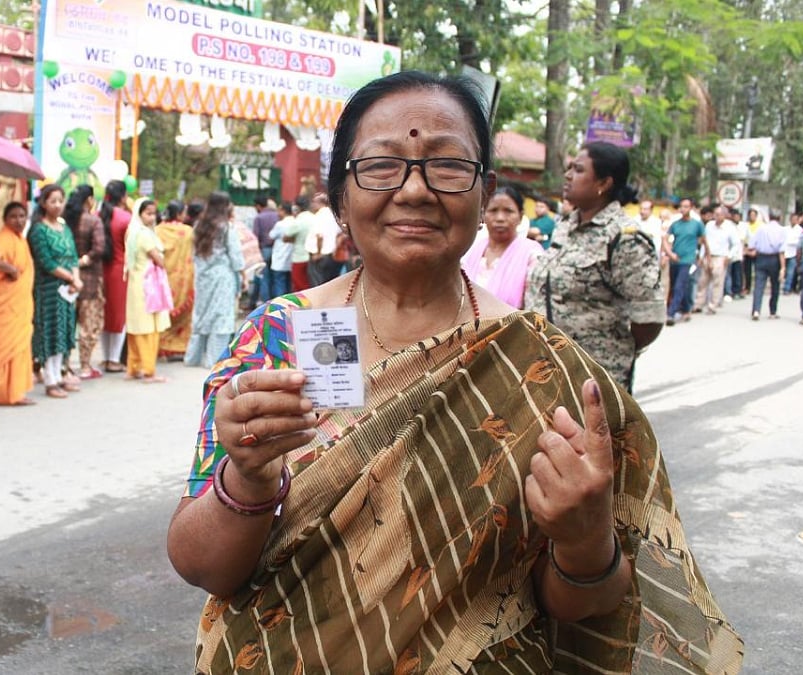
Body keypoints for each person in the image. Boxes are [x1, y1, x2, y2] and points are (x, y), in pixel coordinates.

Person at [167, 71, 741, 674]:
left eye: (446, 166)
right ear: (340, 196)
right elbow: (202, 565)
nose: (414, 191)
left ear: (483, 189)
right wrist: (249, 480)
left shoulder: (537, 370)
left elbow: (583, 604)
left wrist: (584, 540)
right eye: (382, 166)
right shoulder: (276, 336)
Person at [525, 142, 665, 392]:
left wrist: (610, 348)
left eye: (578, 170)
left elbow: (649, 318)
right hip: (547, 368)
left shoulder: (624, 237)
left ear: (604, 183)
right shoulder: (566, 225)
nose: (567, 175)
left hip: (593, 377)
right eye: (569, 168)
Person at [29, 184, 83, 398]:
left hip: (68, 290)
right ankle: (49, 379)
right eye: (53, 201)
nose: (58, 205)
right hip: (49, 288)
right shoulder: (38, 230)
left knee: (66, 330)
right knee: (50, 330)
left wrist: (76, 279)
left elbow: (73, 256)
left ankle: (60, 374)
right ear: (43, 203)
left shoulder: (64, 227)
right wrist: (70, 277)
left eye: (61, 200)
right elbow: (46, 262)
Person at [0, 201, 35, 405]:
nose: (18, 221)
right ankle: (2, 392)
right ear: (5, 219)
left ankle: (10, 390)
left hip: (17, 305)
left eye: (22, 216)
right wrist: (10, 269)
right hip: (3, 307)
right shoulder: (4, 238)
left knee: (17, 346)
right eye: (14, 217)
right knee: (5, 349)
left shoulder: (20, 240)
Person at [184, 191, 244, 368]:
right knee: (221, 316)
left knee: (201, 314)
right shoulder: (226, 228)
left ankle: (192, 357)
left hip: (203, 276)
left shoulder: (199, 226)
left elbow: (194, 254)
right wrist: (242, 274)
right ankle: (215, 360)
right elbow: (235, 255)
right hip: (222, 276)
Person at [460, 185, 542, 308]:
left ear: (520, 216)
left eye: (508, 211)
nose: (500, 218)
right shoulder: (471, 250)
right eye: (493, 211)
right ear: (483, 215)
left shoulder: (532, 254)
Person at [123, 199, 171, 382]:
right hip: (148, 286)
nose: (151, 217)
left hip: (137, 283)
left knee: (137, 327)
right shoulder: (144, 235)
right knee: (148, 328)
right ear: (139, 213)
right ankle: (148, 371)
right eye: (148, 213)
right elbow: (159, 259)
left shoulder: (132, 231)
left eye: (153, 213)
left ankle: (134, 368)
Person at [63, 184, 107, 379]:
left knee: (67, 323)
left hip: (66, 279)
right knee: (89, 325)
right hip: (89, 281)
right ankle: (85, 366)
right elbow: (99, 249)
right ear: (89, 200)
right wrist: (83, 261)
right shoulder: (93, 221)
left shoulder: (64, 221)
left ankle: (64, 364)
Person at [156, 199, 195, 360]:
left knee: (162, 313)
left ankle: (161, 345)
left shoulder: (158, 230)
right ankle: (180, 347)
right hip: (183, 279)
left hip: (163, 277)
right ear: (179, 214)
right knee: (184, 315)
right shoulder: (188, 232)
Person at [99, 180, 130, 373]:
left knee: (105, 315)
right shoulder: (126, 218)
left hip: (100, 270)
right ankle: (114, 359)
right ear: (124, 196)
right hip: (120, 271)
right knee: (120, 316)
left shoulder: (98, 215)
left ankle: (106, 357)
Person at [662, 198, 707, 324]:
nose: (683, 209)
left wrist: (704, 256)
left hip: (688, 259)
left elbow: (704, 240)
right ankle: (687, 309)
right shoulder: (675, 225)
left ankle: (671, 313)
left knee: (679, 286)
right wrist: (670, 254)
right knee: (680, 286)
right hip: (675, 259)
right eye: (681, 206)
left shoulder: (697, 224)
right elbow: (666, 239)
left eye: (686, 206)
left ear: (691, 208)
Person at [695, 205, 737, 314]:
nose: (716, 217)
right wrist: (701, 256)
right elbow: (705, 242)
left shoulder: (730, 227)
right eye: (715, 214)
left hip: (720, 256)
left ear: (724, 215)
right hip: (708, 255)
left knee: (717, 282)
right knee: (703, 281)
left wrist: (729, 256)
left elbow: (736, 244)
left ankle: (713, 305)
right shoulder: (709, 225)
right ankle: (699, 303)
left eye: (719, 215)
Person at [749, 210, 785, 320]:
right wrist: (783, 267)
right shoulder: (782, 230)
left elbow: (752, 244)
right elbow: (782, 250)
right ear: (780, 217)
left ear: (769, 217)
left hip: (761, 257)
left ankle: (756, 310)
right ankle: (772, 311)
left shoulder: (761, 228)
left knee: (759, 285)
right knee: (775, 285)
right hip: (774, 258)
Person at [251, 196, 279, 303]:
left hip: (264, 250)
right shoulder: (277, 215)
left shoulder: (259, 217)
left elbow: (255, 236)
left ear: (258, 206)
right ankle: (276, 301)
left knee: (264, 277)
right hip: (277, 250)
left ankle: (266, 302)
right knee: (276, 278)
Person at [782, 212, 803, 294]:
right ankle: (787, 286)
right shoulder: (785, 229)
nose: (793, 221)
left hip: (794, 253)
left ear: (797, 220)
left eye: (795, 219)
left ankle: (787, 288)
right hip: (785, 253)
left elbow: (799, 243)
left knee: (791, 272)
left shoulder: (800, 230)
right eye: (792, 219)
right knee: (785, 271)